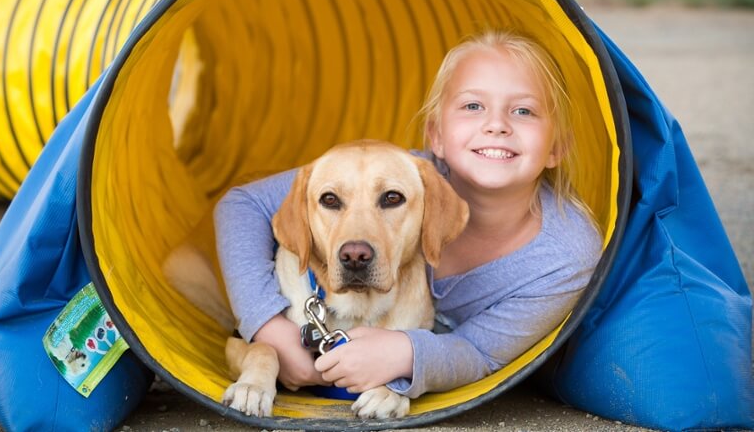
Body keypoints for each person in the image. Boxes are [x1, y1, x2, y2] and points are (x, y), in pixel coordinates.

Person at [214, 29, 602, 398]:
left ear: (557, 147)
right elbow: (241, 204)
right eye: (472, 106)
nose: (496, 125)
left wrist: (405, 356)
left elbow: (482, 354)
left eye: (523, 111)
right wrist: (269, 326)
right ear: (435, 136)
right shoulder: (396, 171)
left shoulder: (564, 259)